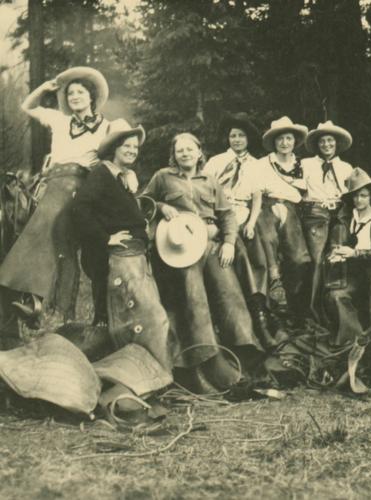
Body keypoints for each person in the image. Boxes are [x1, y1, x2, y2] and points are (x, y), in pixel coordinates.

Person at [142, 132, 263, 392]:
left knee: (229, 290)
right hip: (180, 248)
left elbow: (227, 214)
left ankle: (245, 352)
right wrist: (161, 206)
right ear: (173, 155)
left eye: (190, 149)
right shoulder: (163, 177)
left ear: (199, 153)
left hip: (210, 244)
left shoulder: (210, 179)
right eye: (179, 150)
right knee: (194, 296)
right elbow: (143, 202)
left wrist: (229, 241)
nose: (185, 154)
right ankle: (208, 360)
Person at [0, 67, 111, 326]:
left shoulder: (106, 126)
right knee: (20, 220)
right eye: (70, 93)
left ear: (91, 96)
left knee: (51, 228)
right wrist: (45, 88)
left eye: (80, 92)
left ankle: (40, 302)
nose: (74, 97)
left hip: (80, 184)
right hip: (50, 182)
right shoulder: (60, 120)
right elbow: (28, 106)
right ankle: (22, 297)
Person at [70, 120, 171, 375]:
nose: (132, 151)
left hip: (131, 256)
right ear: (114, 148)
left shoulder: (121, 178)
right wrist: (106, 239)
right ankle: (148, 373)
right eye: (126, 146)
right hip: (116, 257)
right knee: (148, 316)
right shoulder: (101, 175)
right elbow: (79, 209)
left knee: (132, 316)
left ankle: (142, 371)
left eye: (135, 147)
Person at [204, 113, 276, 349]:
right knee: (239, 251)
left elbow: (256, 197)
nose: (236, 140)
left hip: (244, 213)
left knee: (260, 254)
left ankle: (261, 308)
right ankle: (254, 313)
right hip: (220, 213)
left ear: (248, 139)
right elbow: (204, 191)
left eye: (241, 136)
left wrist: (252, 222)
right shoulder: (215, 162)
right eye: (233, 136)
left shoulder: (255, 165)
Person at [324, 168, 371, 348]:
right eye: (355, 196)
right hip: (352, 271)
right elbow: (337, 245)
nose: (359, 200)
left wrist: (354, 253)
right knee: (336, 295)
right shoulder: (347, 218)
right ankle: (352, 340)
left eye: (363, 196)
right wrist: (335, 254)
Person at [254, 116, 312, 325]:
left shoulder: (304, 165)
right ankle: (274, 302)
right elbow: (256, 191)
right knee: (268, 243)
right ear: (274, 142)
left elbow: (308, 194)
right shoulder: (263, 164)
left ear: (294, 141)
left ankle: (293, 303)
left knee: (300, 259)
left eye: (289, 138)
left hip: (294, 209)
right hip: (266, 206)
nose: (284, 143)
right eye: (280, 139)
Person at [301, 120, 354, 323]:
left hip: (340, 213)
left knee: (336, 256)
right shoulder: (306, 165)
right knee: (316, 260)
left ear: (337, 143)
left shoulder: (346, 167)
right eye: (322, 141)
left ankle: (334, 312)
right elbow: (294, 187)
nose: (326, 145)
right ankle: (313, 312)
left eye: (330, 141)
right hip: (315, 213)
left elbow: (352, 194)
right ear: (317, 144)